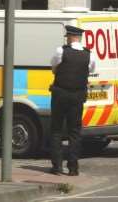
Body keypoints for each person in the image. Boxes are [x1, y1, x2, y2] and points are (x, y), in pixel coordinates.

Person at [49, 25, 96, 176]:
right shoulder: (89, 54)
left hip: (60, 94)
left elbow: (54, 68)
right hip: (77, 96)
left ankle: (57, 167)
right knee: (74, 132)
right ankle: (73, 168)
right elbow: (91, 70)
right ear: (79, 37)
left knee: (56, 130)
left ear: (69, 37)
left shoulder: (61, 51)